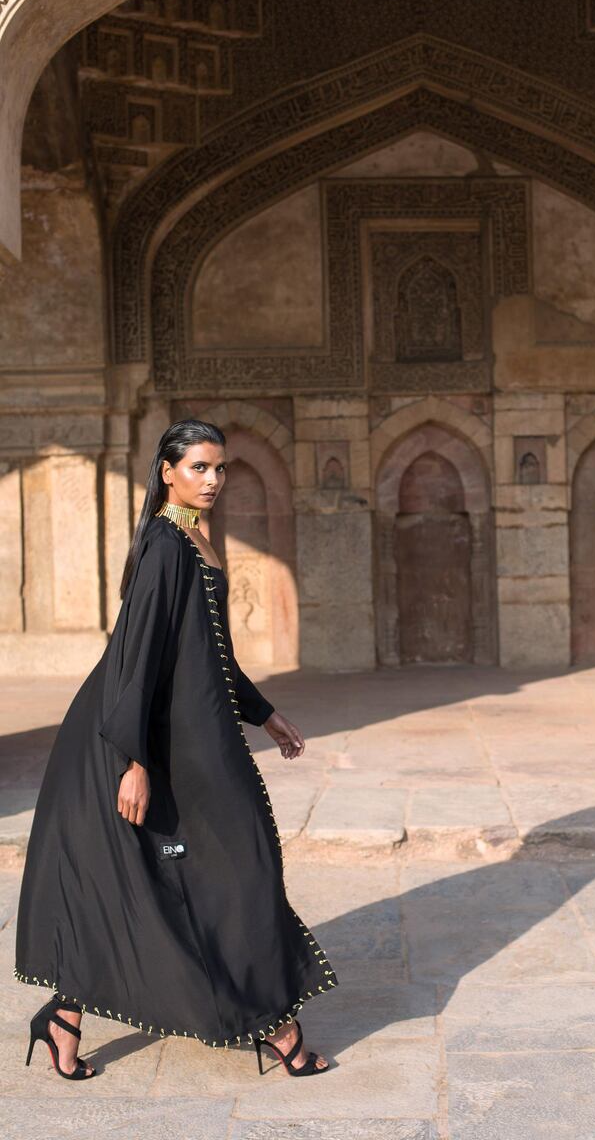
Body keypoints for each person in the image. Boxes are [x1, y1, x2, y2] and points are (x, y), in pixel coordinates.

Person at [16, 418, 337, 1080]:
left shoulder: (190, 538)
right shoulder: (165, 546)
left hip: (188, 734)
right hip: (138, 737)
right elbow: (137, 656)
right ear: (168, 471)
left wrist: (264, 713)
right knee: (228, 867)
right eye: (200, 468)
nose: (214, 480)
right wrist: (133, 760)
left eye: (221, 469)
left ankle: (64, 1019)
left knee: (166, 875)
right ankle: (277, 1028)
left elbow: (203, 652)